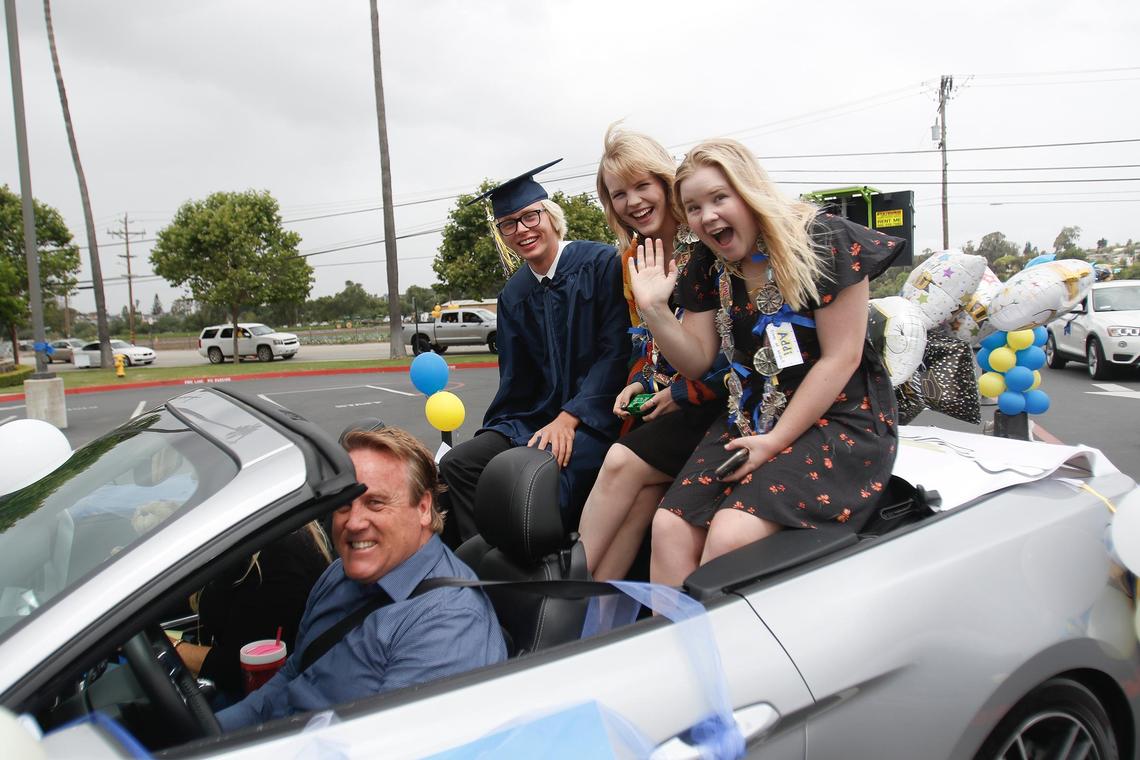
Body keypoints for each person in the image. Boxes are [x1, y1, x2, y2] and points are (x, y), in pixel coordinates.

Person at [629, 138, 905, 586]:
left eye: (720, 197)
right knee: (670, 528)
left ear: (748, 191)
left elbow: (842, 358)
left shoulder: (824, 239)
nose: (707, 216)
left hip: (837, 417)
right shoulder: (707, 264)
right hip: (750, 415)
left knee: (730, 535)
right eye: (694, 208)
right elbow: (698, 362)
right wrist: (656, 311)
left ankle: (735, 651)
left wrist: (775, 442)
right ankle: (677, 650)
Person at [216, 427, 506, 731]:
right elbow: (291, 677)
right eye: (344, 503)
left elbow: (389, 745)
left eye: (375, 503)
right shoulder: (338, 574)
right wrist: (212, 735)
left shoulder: (449, 624)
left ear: (422, 508)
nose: (353, 522)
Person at [438, 160, 630, 547]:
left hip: (595, 415)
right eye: (509, 223)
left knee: (537, 474)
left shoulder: (599, 264)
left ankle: (548, 561)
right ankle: (486, 560)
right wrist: (499, 430)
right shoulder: (513, 295)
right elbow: (516, 381)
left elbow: (616, 352)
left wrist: (570, 416)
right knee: (458, 464)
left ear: (550, 215)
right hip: (536, 418)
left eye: (529, 217)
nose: (522, 230)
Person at [577, 126, 727, 581]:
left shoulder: (709, 240)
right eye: (619, 193)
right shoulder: (633, 257)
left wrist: (683, 391)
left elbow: (730, 340)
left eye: (643, 185)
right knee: (640, 495)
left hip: (720, 398)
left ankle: (565, 586)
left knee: (622, 461)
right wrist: (642, 382)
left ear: (666, 183)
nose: (633, 202)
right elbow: (650, 343)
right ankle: (596, 617)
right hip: (672, 397)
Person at [171, 523, 332, 705]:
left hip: (263, 701)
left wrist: (175, 648)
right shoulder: (242, 534)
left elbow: (238, 668)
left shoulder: (278, 554)